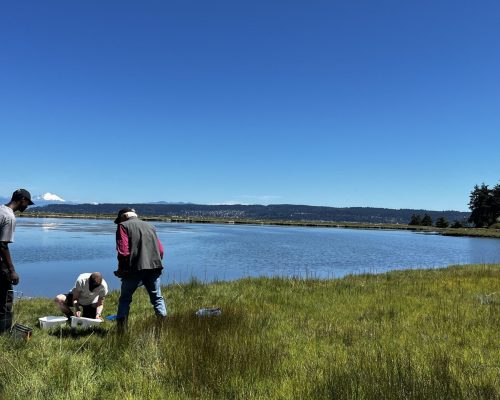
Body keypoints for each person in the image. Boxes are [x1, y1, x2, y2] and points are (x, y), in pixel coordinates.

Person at [114, 208, 166, 325]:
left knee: (125, 299)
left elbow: (123, 252)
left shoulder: (123, 226)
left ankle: (122, 329)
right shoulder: (150, 226)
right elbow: (161, 250)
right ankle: (163, 324)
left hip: (134, 269)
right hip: (154, 267)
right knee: (157, 298)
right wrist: (154, 262)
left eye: (120, 219)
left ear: (124, 216)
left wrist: (121, 270)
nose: (119, 222)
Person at [0, 189, 34, 333]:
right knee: (5, 298)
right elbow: (2, 245)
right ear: (23, 200)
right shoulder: (9, 217)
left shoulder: (0, 209)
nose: (27, 207)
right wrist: (12, 271)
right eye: (27, 203)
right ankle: (4, 333)